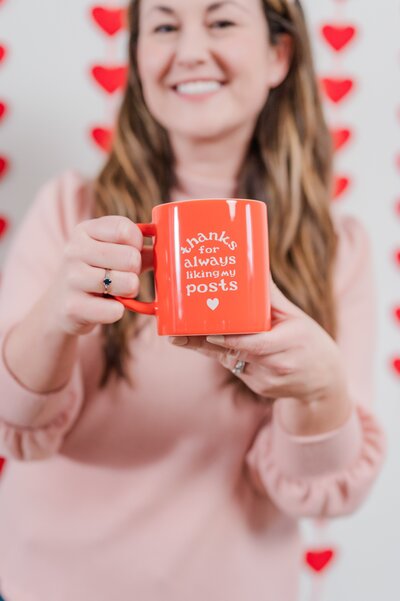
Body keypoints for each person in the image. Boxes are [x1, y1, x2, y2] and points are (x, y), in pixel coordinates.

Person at [0, 0, 386, 600]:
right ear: (138, 55)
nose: (189, 51)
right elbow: (13, 427)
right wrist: (53, 318)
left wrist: (320, 390)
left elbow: (327, 492)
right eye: (163, 25)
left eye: (222, 20)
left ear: (279, 54)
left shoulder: (338, 251)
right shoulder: (70, 212)